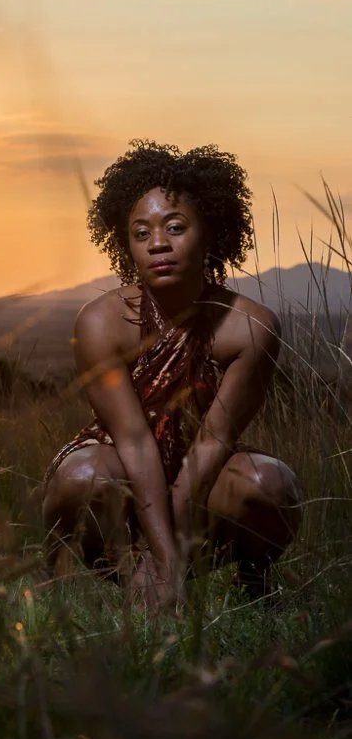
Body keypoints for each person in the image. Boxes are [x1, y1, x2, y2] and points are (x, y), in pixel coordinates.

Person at [42, 141, 302, 611]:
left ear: (211, 234)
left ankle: (252, 582)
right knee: (84, 477)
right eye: (141, 233)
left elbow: (212, 442)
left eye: (175, 228)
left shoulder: (249, 327)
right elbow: (135, 442)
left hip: (202, 476)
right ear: (127, 244)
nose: (157, 243)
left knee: (270, 486)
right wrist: (159, 562)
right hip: (122, 467)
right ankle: (126, 580)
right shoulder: (100, 322)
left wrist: (168, 562)